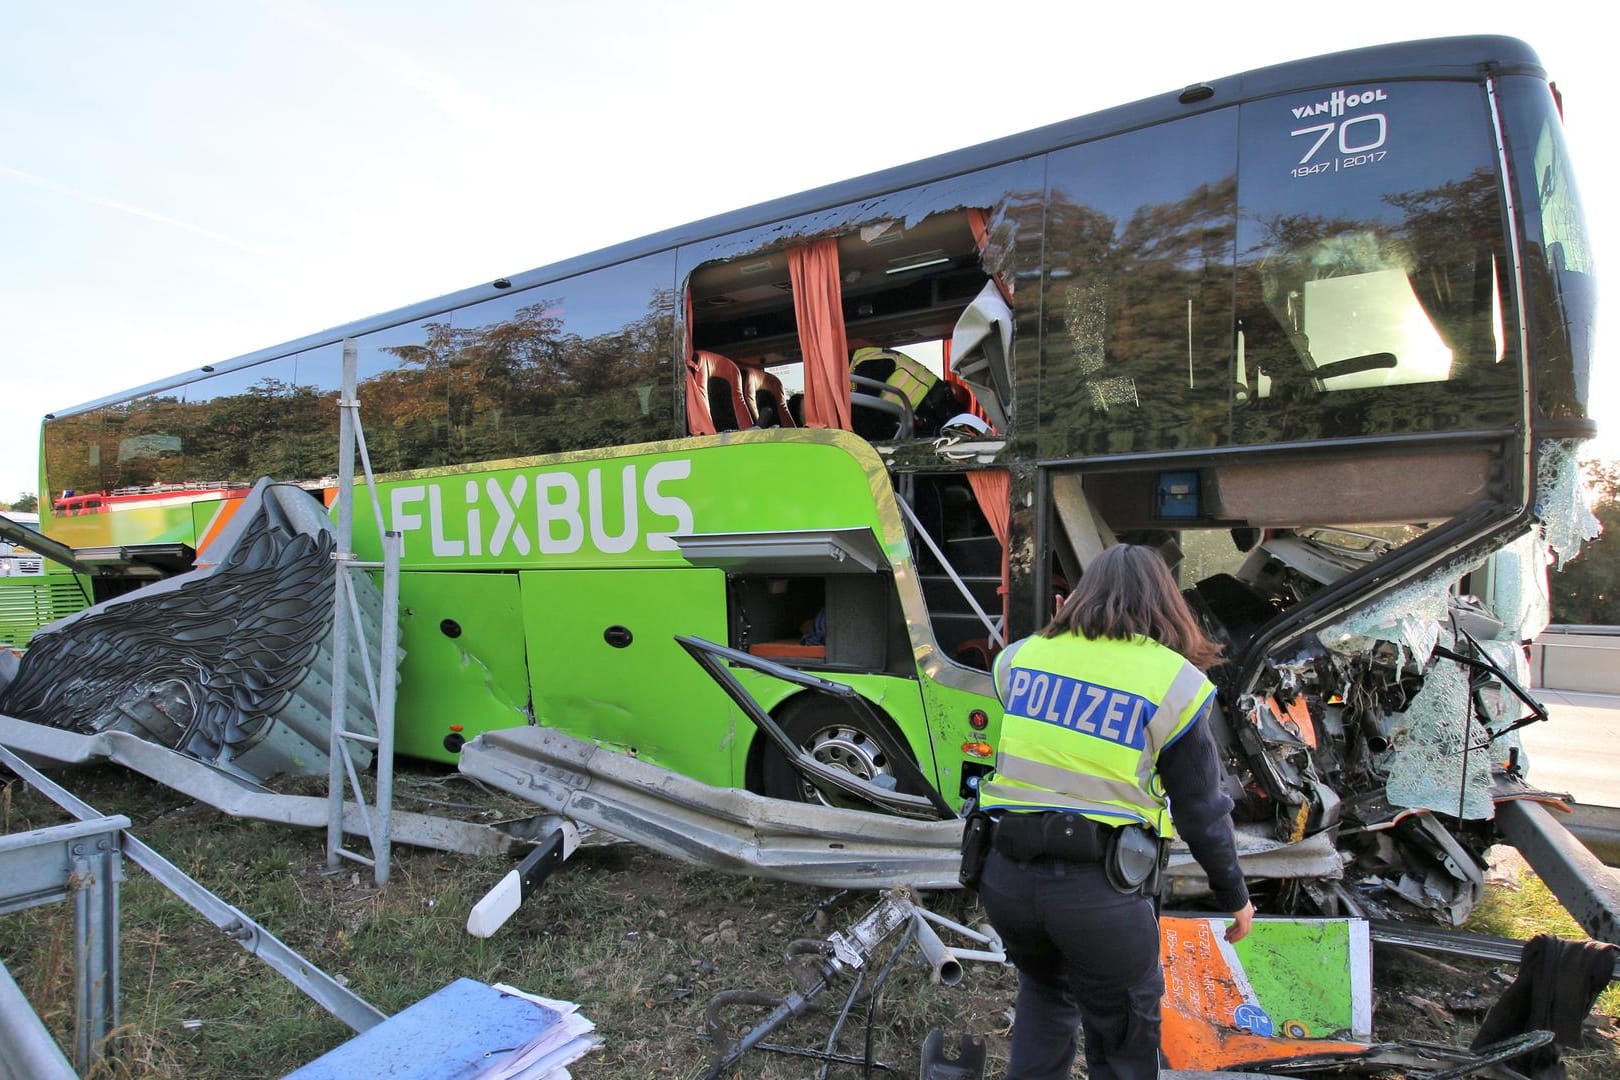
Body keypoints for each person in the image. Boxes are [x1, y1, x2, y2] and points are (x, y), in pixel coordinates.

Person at [974, 543, 1253, 1080]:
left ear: (1081, 595)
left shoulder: (1019, 658)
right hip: (1099, 894)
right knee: (1124, 1036)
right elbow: (1200, 810)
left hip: (1006, 880)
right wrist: (1235, 896)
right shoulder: (1173, 682)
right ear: (1165, 602)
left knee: (1045, 994)